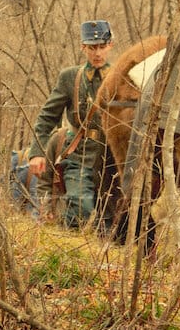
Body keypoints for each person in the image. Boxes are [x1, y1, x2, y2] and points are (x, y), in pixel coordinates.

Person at [28, 20, 116, 230]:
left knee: (112, 220)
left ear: (110, 45)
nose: (97, 53)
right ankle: (69, 252)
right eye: (92, 47)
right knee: (79, 207)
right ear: (82, 47)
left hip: (111, 157)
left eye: (102, 46)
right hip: (80, 153)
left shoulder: (120, 76)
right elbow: (48, 116)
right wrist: (36, 152)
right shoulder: (70, 78)